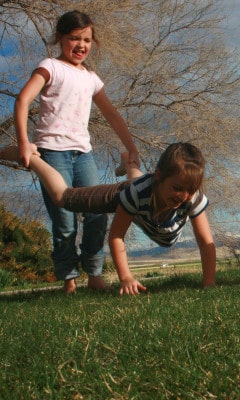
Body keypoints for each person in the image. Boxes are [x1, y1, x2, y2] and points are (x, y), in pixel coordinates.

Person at [13, 10, 140, 293]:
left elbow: (112, 114)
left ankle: (94, 275)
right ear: (60, 38)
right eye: (74, 38)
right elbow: (22, 100)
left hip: (83, 154)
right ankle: (69, 280)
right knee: (65, 220)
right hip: (52, 153)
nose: (81, 45)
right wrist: (24, 142)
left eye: (87, 39)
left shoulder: (91, 77)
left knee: (97, 214)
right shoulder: (50, 67)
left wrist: (131, 147)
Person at [0, 142, 217, 295]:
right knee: (62, 197)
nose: (183, 196)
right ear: (159, 175)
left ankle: (129, 164)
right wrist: (126, 277)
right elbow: (116, 236)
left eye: (190, 190)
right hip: (122, 195)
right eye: (177, 188)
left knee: (137, 179)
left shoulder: (191, 198)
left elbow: (206, 242)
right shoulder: (135, 194)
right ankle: (35, 159)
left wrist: (209, 284)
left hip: (143, 189)